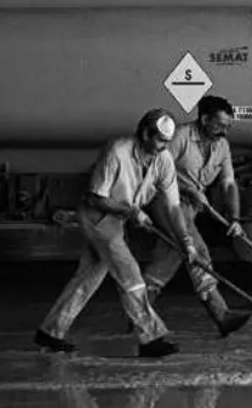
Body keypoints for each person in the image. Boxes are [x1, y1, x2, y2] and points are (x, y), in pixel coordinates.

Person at [35, 108, 198, 358]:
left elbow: (173, 207)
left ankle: (50, 331)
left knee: (87, 278)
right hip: (97, 217)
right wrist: (132, 212)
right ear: (145, 134)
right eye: (160, 141)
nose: (164, 147)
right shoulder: (117, 151)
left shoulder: (163, 159)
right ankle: (150, 337)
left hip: (117, 219)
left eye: (167, 142)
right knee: (129, 274)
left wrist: (186, 241)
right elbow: (95, 198)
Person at [140, 96, 252, 338]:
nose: (224, 131)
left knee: (169, 256)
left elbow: (228, 183)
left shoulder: (222, 145)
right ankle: (221, 315)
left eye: (228, 126)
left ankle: (139, 313)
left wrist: (235, 219)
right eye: (219, 125)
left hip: (190, 208)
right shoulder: (181, 136)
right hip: (166, 202)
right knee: (197, 251)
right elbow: (157, 170)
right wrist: (190, 190)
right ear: (204, 119)